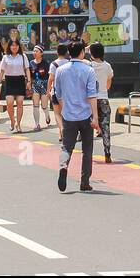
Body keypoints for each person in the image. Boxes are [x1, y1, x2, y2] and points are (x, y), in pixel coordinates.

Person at [52, 40, 99, 192]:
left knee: (66, 147)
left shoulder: (60, 70)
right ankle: (84, 182)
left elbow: (58, 94)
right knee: (87, 149)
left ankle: (63, 167)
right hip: (85, 114)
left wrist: (65, 107)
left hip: (68, 115)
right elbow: (92, 95)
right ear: (82, 53)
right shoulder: (88, 70)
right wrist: (96, 117)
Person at [87, 42, 114, 164]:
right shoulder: (107, 66)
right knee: (105, 126)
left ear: (91, 53)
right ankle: (107, 152)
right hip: (103, 98)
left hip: (90, 100)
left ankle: (88, 154)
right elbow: (109, 83)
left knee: (88, 127)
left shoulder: (88, 66)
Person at [0, 38, 30, 133]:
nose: (14, 47)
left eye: (16, 45)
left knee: (20, 102)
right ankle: (12, 121)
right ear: (9, 47)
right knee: (9, 103)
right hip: (9, 80)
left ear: (18, 46)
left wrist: (29, 81)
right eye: (12, 45)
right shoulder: (5, 57)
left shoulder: (23, 56)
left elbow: (27, 69)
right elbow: (1, 71)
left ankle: (18, 124)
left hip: (20, 80)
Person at [28, 45, 52, 131]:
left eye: (36, 51)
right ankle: (37, 124)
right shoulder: (31, 63)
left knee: (44, 106)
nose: (34, 53)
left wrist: (49, 88)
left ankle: (47, 115)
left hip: (44, 85)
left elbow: (50, 76)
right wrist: (29, 84)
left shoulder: (46, 63)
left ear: (41, 53)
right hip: (35, 85)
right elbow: (29, 76)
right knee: (35, 105)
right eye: (34, 51)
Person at [50, 42, 71, 138]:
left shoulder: (54, 64)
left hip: (56, 91)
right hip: (67, 92)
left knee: (57, 113)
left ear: (57, 52)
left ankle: (62, 129)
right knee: (65, 112)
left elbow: (51, 78)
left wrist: (47, 90)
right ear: (66, 52)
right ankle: (63, 132)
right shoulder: (70, 63)